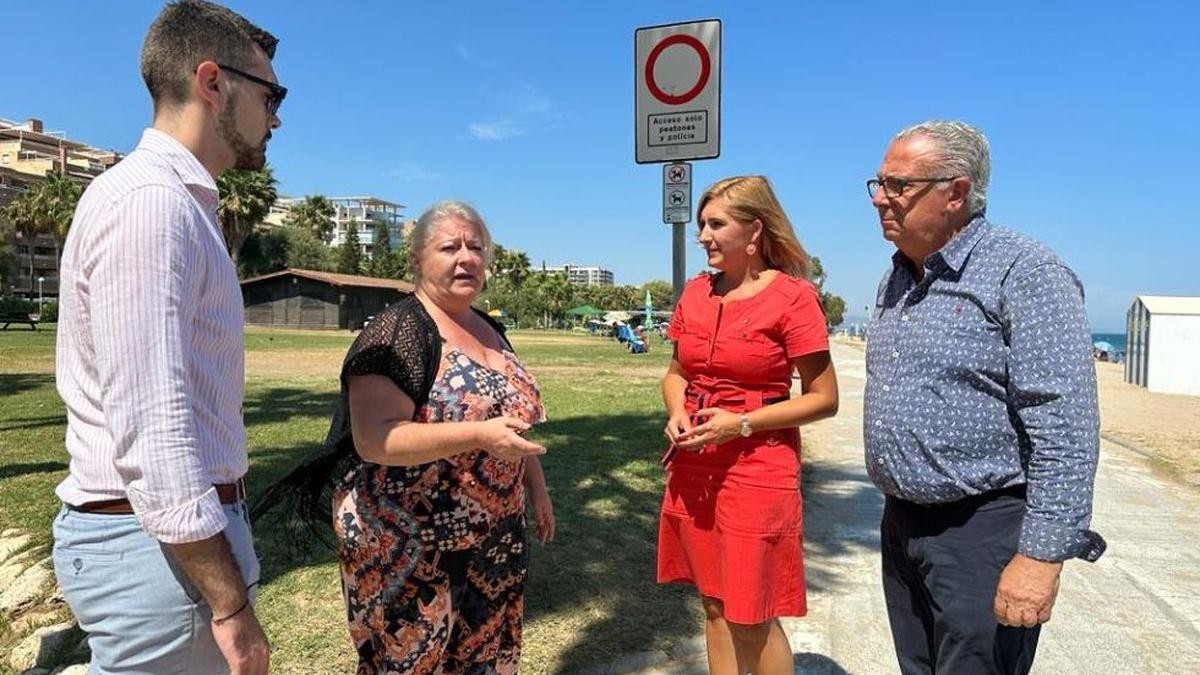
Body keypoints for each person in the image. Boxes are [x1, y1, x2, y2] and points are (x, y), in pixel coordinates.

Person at [51, 2, 282, 672]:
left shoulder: (177, 203)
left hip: (163, 550)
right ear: (212, 83)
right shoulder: (152, 205)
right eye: (270, 95)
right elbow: (155, 431)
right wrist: (231, 604)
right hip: (159, 554)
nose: (276, 117)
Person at [262, 201, 554, 674]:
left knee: (482, 659)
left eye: (475, 247)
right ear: (417, 260)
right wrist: (479, 435)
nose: (466, 258)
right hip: (411, 544)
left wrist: (536, 489)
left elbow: (511, 422)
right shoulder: (397, 331)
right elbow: (376, 439)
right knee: (410, 664)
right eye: (449, 247)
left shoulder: (490, 329)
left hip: (492, 541)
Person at [864, 120, 1105, 675]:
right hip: (903, 525)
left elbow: (1064, 423)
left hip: (984, 532)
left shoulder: (1025, 271)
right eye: (878, 183)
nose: (881, 198)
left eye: (899, 185)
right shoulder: (897, 276)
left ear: (956, 192)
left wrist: (1041, 555)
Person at [659, 175, 839, 675]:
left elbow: (824, 399)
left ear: (754, 231)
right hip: (696, 465)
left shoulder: (793, 298)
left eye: (716, 224)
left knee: (752, 612)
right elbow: (676, 374)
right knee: (713, 605)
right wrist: (677, 410)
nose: (702, 236)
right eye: (700, 225)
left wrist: (740, 424)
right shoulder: (696, 293)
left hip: (759, 465)